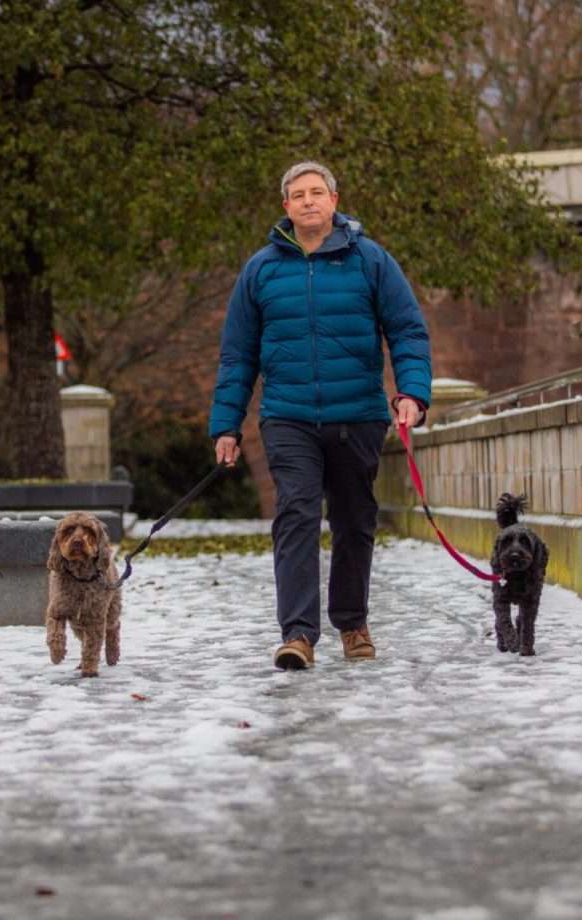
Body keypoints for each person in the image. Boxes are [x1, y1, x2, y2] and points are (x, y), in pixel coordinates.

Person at [209, 161, 432, 671]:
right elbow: (237, 356)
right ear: (285, 207)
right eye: (298, 194)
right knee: (297, 514)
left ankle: (352, 623)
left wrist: (412, 393)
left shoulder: (372, 261)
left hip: (358, 414)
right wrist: (226, 424)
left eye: (317, 192)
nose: (308, 201)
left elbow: (407, 332)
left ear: (334, 201)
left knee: (355, 520)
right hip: (287, 418)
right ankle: (298, 634)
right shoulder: (260, 270)